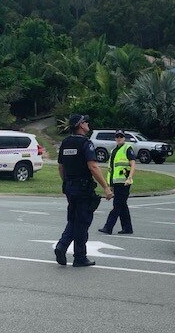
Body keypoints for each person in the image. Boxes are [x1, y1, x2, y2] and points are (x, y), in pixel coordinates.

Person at [55, 113, 113, 267]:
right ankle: (79, 257)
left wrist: (66, 183)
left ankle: (62, 246)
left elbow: (61, 167)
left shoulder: (66, 142)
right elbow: (92, 166)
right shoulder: (85, 143)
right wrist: (106, 187)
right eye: (86, 121)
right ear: (80, 125)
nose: (88, 123)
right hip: (82, 188)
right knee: (82, 222)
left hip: (70, 187)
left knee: (74, 219)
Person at [98, 129, 136, 235]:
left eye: (121, 136)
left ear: (124, 138)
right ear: (115, 138)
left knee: (117, 205)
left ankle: (108, 227)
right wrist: (110, 185)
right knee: (122, 205)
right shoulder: (114, 151)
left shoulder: (127, 148)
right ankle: (127, 228)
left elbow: (133, 164)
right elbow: (111, 169)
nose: (119, 138)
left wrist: (130, 178)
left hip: (124, 182)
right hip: (116, 183)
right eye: (117, 136)